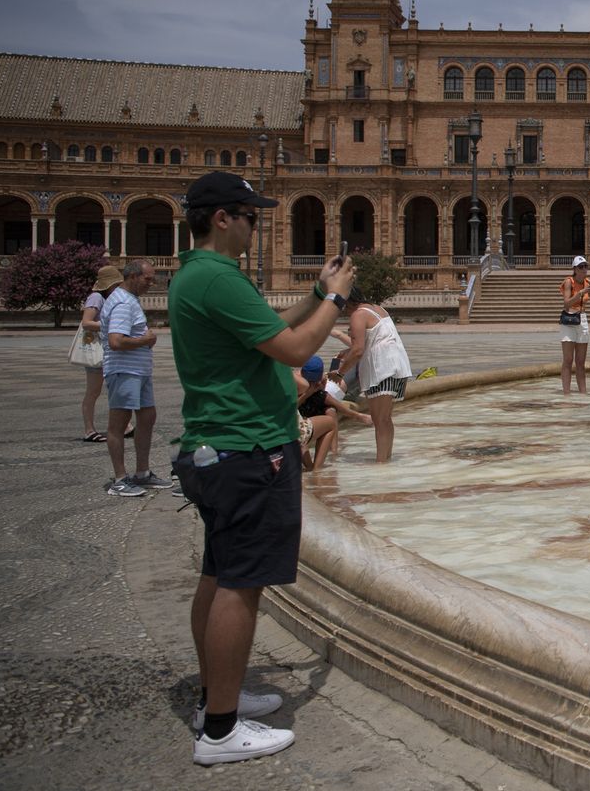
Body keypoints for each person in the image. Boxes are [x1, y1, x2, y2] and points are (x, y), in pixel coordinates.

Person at [168, 170, 354, 766]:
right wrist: (335, 299)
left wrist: (313, 292)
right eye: (251, 216)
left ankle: (214, 697)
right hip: (245, 448)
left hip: (216, 446)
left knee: (219, 574)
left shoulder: (202, 274)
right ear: (223, 218)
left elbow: (271, 327)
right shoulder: (217, 277)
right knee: (240, 585)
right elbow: (297, 349)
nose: (257, 224)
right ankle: (219, 731)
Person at [101, 259, 169, 495]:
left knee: (148, 416)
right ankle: (120, 479)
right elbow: (116, 341)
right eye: (147, 279)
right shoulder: (121, 302)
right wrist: (145, 340)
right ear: (132, 277)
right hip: (124, 370)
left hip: (138, 370)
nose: (152, 283)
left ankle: (142, 472)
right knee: (118, 424)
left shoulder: (130, 300)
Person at [336, 287, 410, 463]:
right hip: (397, 365)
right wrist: (348, 350)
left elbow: (358, 350)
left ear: (348, 301)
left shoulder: (358, 315)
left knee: (380, 419)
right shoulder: (377, 309)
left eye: (343, 306)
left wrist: (340, 373)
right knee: (384, 418)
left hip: (382, 368)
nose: (343, 311)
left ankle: (381, 463)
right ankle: (386, 458)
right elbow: (376, 339)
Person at [294, 355, 370, 470]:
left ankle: (331, 453)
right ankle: (314, 468)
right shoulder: (300, 382)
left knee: (330, 411)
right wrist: (308, 393)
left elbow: (328, 397)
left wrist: (315, 389)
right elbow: (291, 407)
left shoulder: (317, 383)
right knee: (306, 437)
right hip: (298, 418)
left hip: (306, 410)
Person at [80, 264, 123, 442]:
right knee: (93, 391)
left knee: (115, 388)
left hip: (108, 350)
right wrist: (109, 325)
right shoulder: (96, 297)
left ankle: (125, 426)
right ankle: (89, 429)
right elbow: (86, 322)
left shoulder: (108, 298)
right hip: (96, 351)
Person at [559, 255, 590, 394]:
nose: (584, 269)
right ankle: (566, 393)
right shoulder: (569, 282)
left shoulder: (588, 282)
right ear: (575, 269)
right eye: (581, 267)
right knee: (568, 359)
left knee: (580, 361)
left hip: (582, 319)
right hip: (569, 320)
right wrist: (580, 293)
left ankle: (583, 393)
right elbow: (566, 303)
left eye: (586, 266)